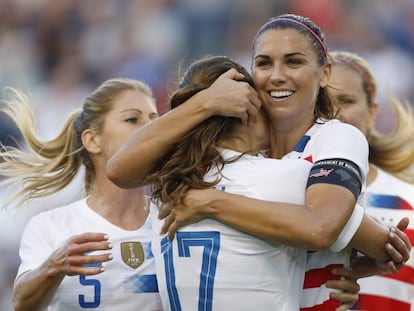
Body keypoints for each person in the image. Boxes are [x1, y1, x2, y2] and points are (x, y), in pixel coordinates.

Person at [106, 14, 410, 310]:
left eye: (294, 61)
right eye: (264, 63)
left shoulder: (185, 173)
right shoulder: (287, 174)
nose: (277, 75)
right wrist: (206, 102)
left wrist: (210, 200)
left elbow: (323, 227)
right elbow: (358, 237)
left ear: (325, 73)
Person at [0, 78, 162, 311]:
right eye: (132, 119)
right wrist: (53, 267)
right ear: (93, 140)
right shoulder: (52, 225)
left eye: (154, 119)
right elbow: (22, 304)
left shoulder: (174, 220)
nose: (149, 128)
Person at [329, 50, 414, 310]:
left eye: (346, 100)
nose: (334, 113)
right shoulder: (278, 194)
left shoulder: (408, 201)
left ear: (372, 113)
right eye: (320, 102)